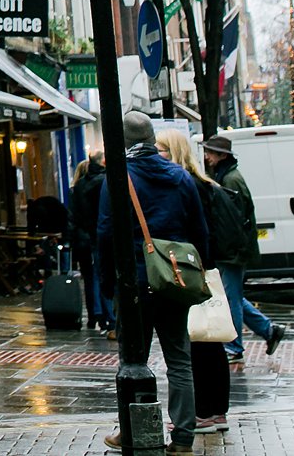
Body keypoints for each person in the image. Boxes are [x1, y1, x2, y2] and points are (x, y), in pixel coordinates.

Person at [99, 111, 209, 455]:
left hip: (135, 283)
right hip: (173, 280)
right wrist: (199, 271)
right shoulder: (179, 176)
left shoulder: (118, 178)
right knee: (179, 359)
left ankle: (132, 430)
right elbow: (200, 231)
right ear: (150, 139)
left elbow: (104, 234)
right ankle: (184, 437)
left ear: (124, 142)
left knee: (133, 360)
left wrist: (106, 285)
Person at [159, 129, 250, 436]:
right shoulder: (205, 183)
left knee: (198, 343)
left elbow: (199, 232)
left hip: (192, 270)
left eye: (161, 149)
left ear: (174, 152)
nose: (156, 154)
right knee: (209, 342)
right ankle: (217, 412)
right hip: (204, 268)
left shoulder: (188, 185)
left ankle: (204, 412)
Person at [202, 134, 284, 361]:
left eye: (210, 152)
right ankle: (269, 330)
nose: (206, 156)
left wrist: (226, 250)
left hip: (232, 252)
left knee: (232, 299)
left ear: (221, 155)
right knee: (234, 296)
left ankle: (234, 347)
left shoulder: (230, 180)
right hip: (234, 250)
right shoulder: (227, 176)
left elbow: (232, 221)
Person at [68, 152, 115, 334]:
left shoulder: (79, 187)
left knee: (90, 278)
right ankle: (109, 317)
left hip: (83, 238)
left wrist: (73, 240)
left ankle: (95, 314)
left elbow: (72, 217)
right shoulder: (107, 182)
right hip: (99, 237)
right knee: (104, 276)